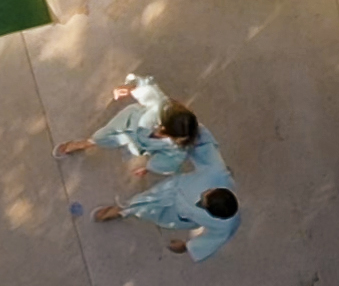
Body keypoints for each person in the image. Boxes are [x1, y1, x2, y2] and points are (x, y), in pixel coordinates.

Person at [61, 75, 211, 179]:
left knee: (113, 140)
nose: (157, 129)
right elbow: (146, 84)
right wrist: (130, 86)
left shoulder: (177, 147)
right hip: (125, 122)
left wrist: (149, 167)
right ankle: (87, 143)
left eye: (161, 130)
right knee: (102, 136)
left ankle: (90, 142)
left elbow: (167, 162)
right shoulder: (162, 105)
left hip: (137, 144)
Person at [98, 175, 238, 259]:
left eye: (205, 198)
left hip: (173, 216)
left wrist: (186, 246)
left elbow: (213, 240)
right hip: (168, 191)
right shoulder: (215, 175)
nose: (206, 191)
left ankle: (121, 210)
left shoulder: (223, 226)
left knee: (146, 209)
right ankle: (126, 209)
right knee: (144, 201)